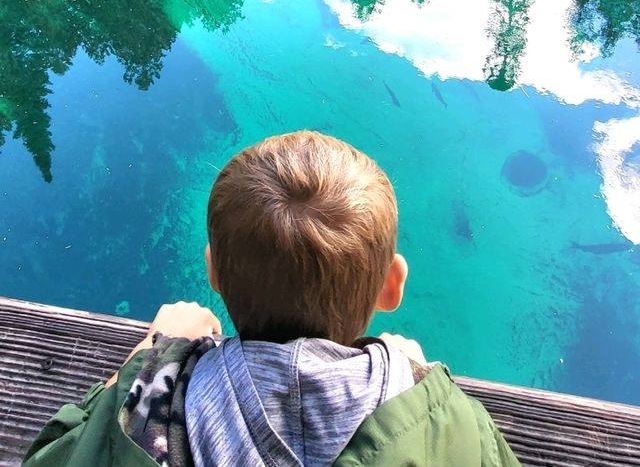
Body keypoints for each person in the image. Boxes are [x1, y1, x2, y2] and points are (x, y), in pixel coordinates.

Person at [23, 131, 521, 467]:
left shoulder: (147, 414)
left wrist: (152, 358)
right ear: (393, 286)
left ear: (213, 271)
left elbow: (50, 455)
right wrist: (418, 386)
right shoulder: (454, 426)